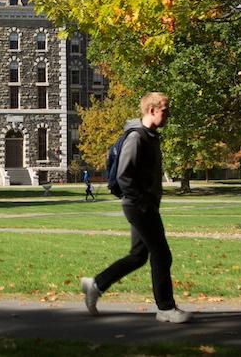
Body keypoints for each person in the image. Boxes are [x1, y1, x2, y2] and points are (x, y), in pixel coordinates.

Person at [81, 92, 192, 324]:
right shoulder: (136, 137)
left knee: (139, 256)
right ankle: (166, 308)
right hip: (139, 206)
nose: (168, 115)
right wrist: (141, 202)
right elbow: (123, 175)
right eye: (165, 111)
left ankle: (96, 284)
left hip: (145, 204)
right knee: (162, 255)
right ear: (152, 110)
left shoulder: (151, 136)